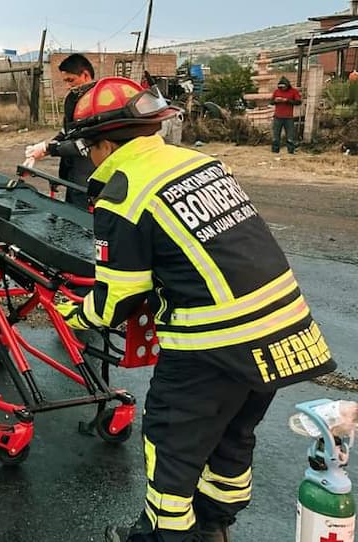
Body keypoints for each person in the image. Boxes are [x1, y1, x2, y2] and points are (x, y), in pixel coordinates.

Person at [48, 76, 335, 542]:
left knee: (170, 448)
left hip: (213, 346)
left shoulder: (123, 192)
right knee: (231, 438)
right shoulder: (199, 163)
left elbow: (118, 296)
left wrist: (76, 312)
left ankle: (164, 537)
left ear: (99, 144)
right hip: (283, 332)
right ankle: (214, 528)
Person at [24, 53, 97, 208]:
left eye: (71, 80)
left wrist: (49, 149)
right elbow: (67, 132)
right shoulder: (72, 99)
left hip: (91, 172)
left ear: (85, 75)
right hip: (73, 172)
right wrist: (43, 148)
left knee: (85, 219)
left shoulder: (99, 101)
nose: (68, 86)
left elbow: (86, 143)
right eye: (65, 81)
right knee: (71, 212)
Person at [270, 75, 302, 154]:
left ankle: (290, 151)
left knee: (290, 136)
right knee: (275, 136)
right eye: (280, 87)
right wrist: (276, 101)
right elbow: (271, 102)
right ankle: (275, 151)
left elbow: (298, 102)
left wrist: (287, 100)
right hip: (277, 116)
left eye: (283, 87)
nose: (282, 89)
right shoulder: (276, 91)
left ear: (287, 86)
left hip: (289, 117)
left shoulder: (293, 91)